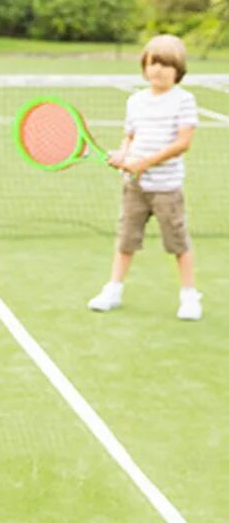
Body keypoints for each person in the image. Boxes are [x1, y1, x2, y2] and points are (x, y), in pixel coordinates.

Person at [87, 34, 202, 320]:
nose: (158, 70)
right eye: (153, 63)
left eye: (165, 64)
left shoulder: (184, 100)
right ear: (144, 66)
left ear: (178, 70)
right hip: (135, 186)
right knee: (125, 240)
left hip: (166, 188)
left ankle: (189, 296)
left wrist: (145, 162)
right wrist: (124, 155)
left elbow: (182, 143)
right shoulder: (135, 101)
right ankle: (113, 289)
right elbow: (130, 136)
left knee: (178, 244)